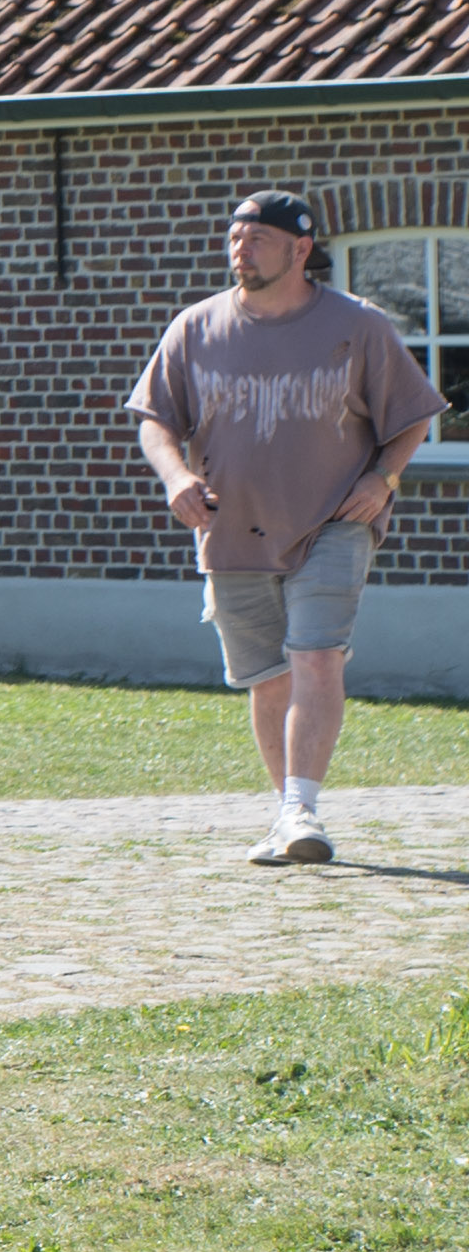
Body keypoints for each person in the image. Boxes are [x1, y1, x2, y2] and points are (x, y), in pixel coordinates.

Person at [127, 186, 441, 869]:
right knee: (269, 679)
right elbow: (156, 421)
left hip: (335, 520)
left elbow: (414, 414)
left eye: (258, 239)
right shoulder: (196, 328)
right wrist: (176, 478)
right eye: (235, 237)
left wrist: (381, 479)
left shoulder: (358, 325)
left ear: (301, 249)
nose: (240, 249)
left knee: (316, 656)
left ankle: (303, 808)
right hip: (231, 527)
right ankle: (286, 815)